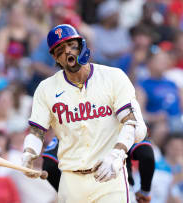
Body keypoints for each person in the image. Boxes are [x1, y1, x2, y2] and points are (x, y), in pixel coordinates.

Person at [22, 24, 147, 203]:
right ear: (54, 57)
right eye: (60, 50)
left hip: (109, 176)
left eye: (71, 45)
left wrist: (117, 155)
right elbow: (37, 131)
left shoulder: (113, 77)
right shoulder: (46, 88)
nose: (67, 52)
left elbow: (130, 122)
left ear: (82, 45)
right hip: (71, 180)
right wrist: (29, 152)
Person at [42, 137, 156, 203]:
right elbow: (147, 156)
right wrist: (144, 191)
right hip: (119, 194)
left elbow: (49, 166)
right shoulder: (124, 123)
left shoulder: (69, 126)